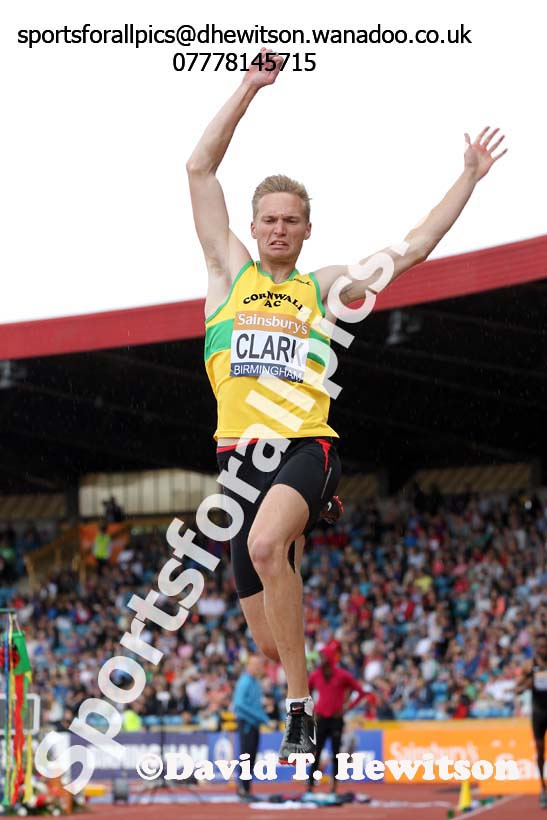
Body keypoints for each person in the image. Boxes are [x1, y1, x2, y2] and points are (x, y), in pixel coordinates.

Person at [186, 47, 507, 764]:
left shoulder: (321, 289)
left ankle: (298, 712)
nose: (276, 228)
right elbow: (199, 170)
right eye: (267, 218)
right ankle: (293, 663)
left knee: (267, 547)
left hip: (306, 447)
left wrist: (468, 177)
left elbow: (415, 246)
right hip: (239, 467)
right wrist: (247, 90)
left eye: (290, 220)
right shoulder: (224, 277)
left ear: (305, 230)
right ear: (254, 223)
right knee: (270, 641)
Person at [307, 645, 368, 792]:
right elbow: (306, 691)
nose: (320, 660)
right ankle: (310, 784)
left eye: (323, 657)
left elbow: (360, 691)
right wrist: (312, 708)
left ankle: (334, 784)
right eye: (320, 657)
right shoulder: (315, 675)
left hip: (336, 719)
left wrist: (348, 707)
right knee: (317, 751)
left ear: (329, 658)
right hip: (321, 718)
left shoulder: (342, 675)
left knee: (336, 753)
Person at [232, 654, 272, 800]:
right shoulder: (245, 682)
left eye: (258, 664)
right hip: (247, 724)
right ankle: (243, 788)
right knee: (246, 756)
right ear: (248, 665)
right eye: (254, 664)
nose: (257, 667)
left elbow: (257, 705)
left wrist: (266, 719)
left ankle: (246, 788)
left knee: (251, 757)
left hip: (254, 724)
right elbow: (239, 704)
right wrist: (263, 718)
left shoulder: (256, 683)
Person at [516, 634, 547, 808]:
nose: (543, 650)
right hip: (539, 714)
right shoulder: (530, 666)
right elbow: (517, 687)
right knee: (540, 752)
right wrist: (525, 685)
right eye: (540, 647)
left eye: (545, 647)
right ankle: (543, 789)